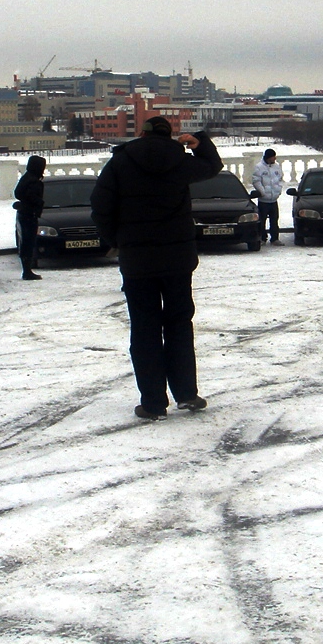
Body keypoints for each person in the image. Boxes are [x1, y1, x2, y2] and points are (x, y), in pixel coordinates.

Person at [91, 115, 222, 421]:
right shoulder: (181, 161)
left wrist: (118, 240)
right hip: (177, 260)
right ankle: (186, 394)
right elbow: (212, 166)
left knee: (144, 328)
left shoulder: (120, 162)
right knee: (179, 325)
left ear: (142, 133)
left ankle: (153, 404)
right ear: (169, 135)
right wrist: (200, 142)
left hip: (137, 262)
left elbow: (100, 206)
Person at [13, 155, 46, 280]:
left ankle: (27, 270)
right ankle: (27, 271)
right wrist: (38, 202)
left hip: (25, 213)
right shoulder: (33, 180)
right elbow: (31, 196)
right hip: (29, 214)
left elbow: (18, 193)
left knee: (27, 242)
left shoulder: (26, 178)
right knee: (28, 242)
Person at [251, 148, 285, 244]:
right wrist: (262, 192)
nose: (275, 158)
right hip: (263, 200)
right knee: (262, 220)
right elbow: (256, 181)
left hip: (274, 199)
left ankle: (275, 238)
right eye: (273, 157)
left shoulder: (277, 167)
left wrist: (278, 190)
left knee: (274, 220)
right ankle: (262, 238)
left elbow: (280, 179)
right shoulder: (259, 167)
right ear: (268, 157)